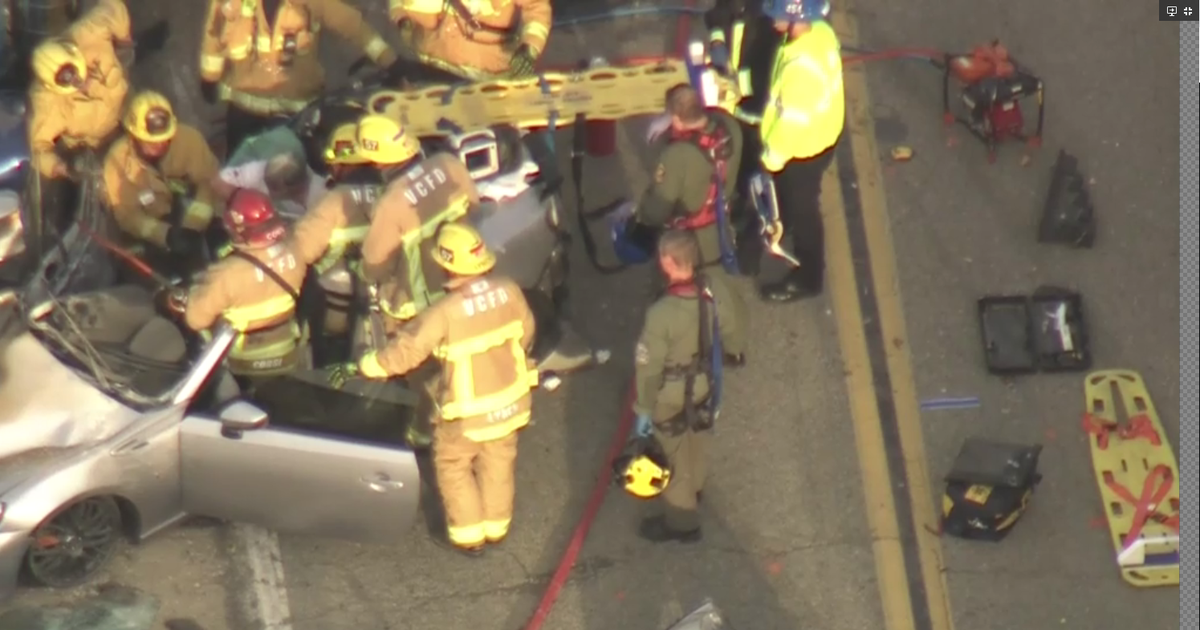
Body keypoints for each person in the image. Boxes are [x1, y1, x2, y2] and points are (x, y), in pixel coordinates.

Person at [333, 222, 538, 556]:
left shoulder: (444, 312)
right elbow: (526, 333)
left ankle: (469, 536)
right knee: (499, 461)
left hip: (466, 413)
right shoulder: (509, 291)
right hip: (512, 402)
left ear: (447, 265)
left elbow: (407, 351)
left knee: (453, 466)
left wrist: (368, 366)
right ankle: (497, 527)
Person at [292, 114, 480, 448]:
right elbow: (475, 207)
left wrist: (360, 271)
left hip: (416, 301)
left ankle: (424, 433)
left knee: (420, 368)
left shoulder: (391, 202)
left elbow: (376, 264)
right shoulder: (449, 164)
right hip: (466, 280)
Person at [632, 230, 743, 542]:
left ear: (669, 262)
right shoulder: (713, 290)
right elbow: (732, 326)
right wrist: (734, 350)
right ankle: (696, 488)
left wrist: (642, 408)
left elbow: (649, 367)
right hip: (704, 384)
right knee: (697, 438)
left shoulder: (661, 314)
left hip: (669, 394)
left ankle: (682, 522)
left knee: (673, 454)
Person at [628, 84, 748, 365]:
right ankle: (735, 345)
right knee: (723, 287)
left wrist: (641, 219)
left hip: (690, 234)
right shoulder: (728, 126)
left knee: (675, 291)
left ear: (676, 118)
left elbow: (659, 205)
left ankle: (676, 344)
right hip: (720, 221)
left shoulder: (677, 155)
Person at [199, 0, 399, 156]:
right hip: (244, 110)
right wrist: (209, 77)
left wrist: (391, 62)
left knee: (293, 175)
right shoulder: (231, 3)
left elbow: (353, 26)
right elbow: (214, 36)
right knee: (241, 174)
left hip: (296, 113)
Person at [165, 189, 309, 389]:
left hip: (242, 365)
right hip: (287, 354)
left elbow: (195, 321)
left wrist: (187, 298)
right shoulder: (295, 250)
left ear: (238, 230)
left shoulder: (226, 273)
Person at [749, 0, 843, 302]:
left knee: (805, 212)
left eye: (778, 16)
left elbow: (791, 125)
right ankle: (782, 219)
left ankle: (809, 277)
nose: (773, 21)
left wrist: (770, 160)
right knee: (791, 202)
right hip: (821, 135)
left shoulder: (802, 69)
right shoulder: (818, 34)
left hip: (803, 151)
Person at [100, 90, 221, 265]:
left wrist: (192, 227)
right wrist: (166, 235)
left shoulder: (189, 140)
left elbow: (210, 183)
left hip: (196, 216)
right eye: (150, 141)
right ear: (133, 136)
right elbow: (127, 215)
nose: (160, 145)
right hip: (155, 226)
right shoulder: (117, 160)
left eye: (166, 139)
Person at [26, 0, 132, 180]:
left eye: (75, 74)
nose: (78, 82)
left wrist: (124, 40)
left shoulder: (88, 32)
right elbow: (38, 149)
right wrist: (62, 167)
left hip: (126, 112)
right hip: (92, 147)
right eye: (70, 83)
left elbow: (114, 8)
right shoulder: (45, 101)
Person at [387, 0, 551, 80]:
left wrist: (530, 47)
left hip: (488, 76)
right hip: (435, 69)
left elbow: (537, 9)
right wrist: (401, 17)